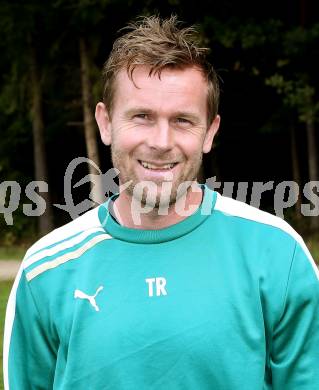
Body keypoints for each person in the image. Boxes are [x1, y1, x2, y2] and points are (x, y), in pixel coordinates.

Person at [3, 15, 319, 390]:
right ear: (105, 123)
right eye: (141, 117)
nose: (161, 141)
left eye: (183, 120)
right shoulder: (45, 272)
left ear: (210, 132)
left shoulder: (277, 254)